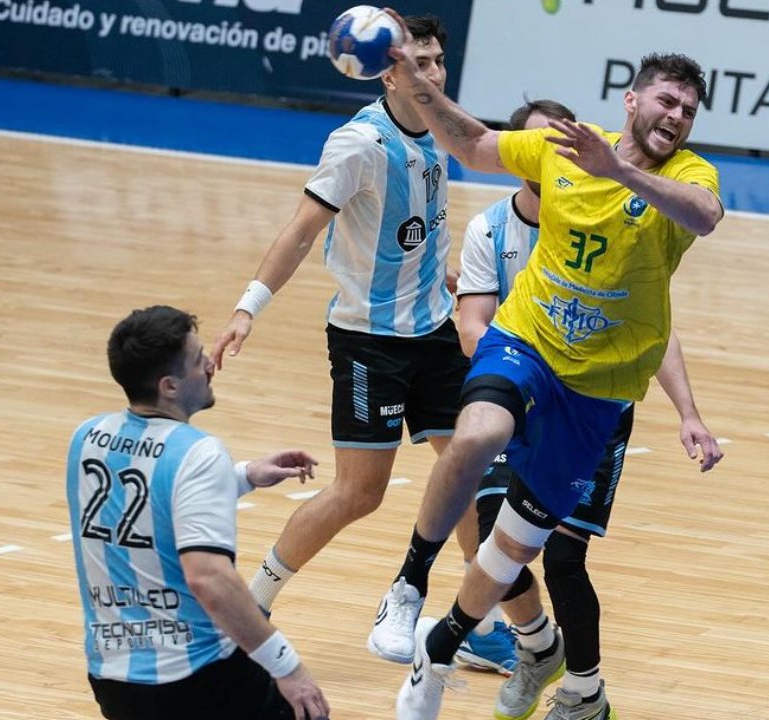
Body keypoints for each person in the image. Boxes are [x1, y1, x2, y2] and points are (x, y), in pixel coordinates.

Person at [370, 15, 726, 718]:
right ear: (632, 100)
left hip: (598, 391)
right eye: (666, 101)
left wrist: (618, 170)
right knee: (473, 438)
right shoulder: (563, 146)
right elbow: (472, 143)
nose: (677, 116)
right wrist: (414, 83)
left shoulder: (687, 174)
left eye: (688, 110)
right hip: (527, 341)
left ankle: (439, 648)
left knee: (517, 548)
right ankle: (411, 579)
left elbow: (706, 215)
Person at [209, 14, 510, 670]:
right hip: (369, 341)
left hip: (434, 329)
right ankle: (252, 605)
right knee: (359, 493)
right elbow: (298, 232)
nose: (432, 73)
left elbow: (419, 225)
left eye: (438, 61)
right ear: (388, 68)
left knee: (470, 473)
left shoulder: (440, 128)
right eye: (419, 62)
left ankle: (480, 625)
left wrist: (454, 276)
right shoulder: (358, 145)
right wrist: (246, 309)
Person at [455, 98, 724, 720]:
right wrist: (508, 380)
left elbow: (652, 330)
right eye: (531, 148)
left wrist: (688, 412)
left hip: (593, 405)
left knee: (564, 556)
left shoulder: (611, 212)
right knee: (492, 532)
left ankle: (584, 690)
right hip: (519, 393)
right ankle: (535, 646)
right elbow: (472, 328)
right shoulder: (490, 232)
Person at [66, 305, 330, 720]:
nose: (209, 363)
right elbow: (209, 579)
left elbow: (147, 502)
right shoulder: (199, 452)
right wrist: (288, 667)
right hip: (198, 675)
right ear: (169, 386)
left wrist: (243, 475)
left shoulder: (87, 438)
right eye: (197, 358)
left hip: (112, 678)